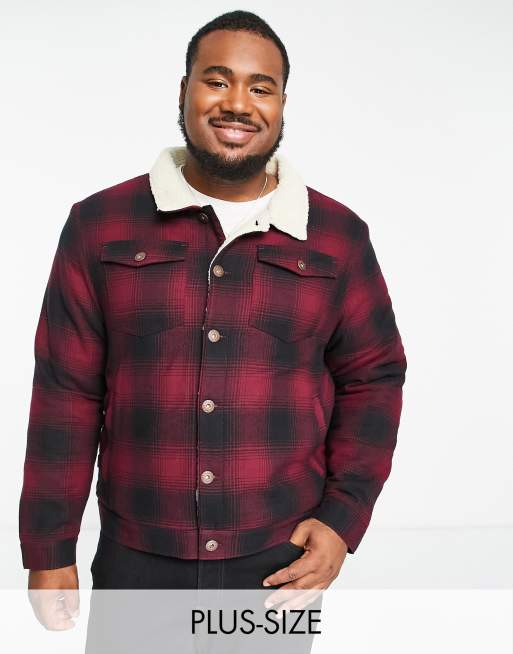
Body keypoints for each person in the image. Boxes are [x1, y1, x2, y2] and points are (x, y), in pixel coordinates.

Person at [19, 9, 407, 635]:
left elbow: (374, 378)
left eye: (261, 87)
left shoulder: (337, 238)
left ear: (282, 105)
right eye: (217, 80)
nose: (238, 104)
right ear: (184, 91)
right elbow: (66, 390)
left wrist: (342, 518)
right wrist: (48, 546)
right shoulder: (99, 225)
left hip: (279, 566)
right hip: (136, 562)